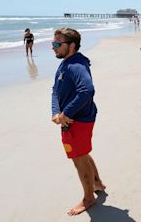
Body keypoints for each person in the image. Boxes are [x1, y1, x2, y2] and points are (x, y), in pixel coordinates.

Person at [50, 28, 105, 216]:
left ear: (71, 46)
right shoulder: (65, 63)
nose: (53, 47)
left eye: (57, 44)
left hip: (78, 121)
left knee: (78, 158)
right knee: (82, 153)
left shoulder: (76, 65)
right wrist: (56, 112)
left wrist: (66, 113)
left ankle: (89, 198)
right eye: (53, 43)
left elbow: (87, 90)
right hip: (70, 120)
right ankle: (97, 183)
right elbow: (55, 91)